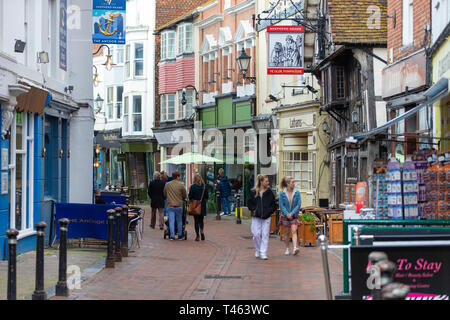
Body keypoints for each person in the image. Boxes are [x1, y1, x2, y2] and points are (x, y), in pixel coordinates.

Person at [247, 174, 277, 260]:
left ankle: (263, 252)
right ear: (261, 182)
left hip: (266, 217)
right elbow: (249, 203)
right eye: (266, 181)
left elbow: (273, 204)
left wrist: (269, 212)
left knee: (265, 234)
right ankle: (258, 249)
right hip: (256, 216)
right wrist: (254, 210)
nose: (268, 183)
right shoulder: (253, 192)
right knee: (256, 234)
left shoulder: (269, 192)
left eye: (268, 181)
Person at [279, 176, 301, 256]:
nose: (294, 184)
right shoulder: (282, 193)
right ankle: (287, 248)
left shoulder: (297, 193)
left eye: (294, 182)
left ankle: (295, 248)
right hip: (285, 215)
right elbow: (281, 205)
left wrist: (292, 213)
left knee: (294, 231)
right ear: (288, 183)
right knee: (286, 233)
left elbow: (298, 204)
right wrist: (287, 214)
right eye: (292, 182)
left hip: (294, 215)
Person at [163, 171, 187, 240]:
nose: (180, 178)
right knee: (179, 220)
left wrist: (169, 197)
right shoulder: (181, 185)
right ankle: (180, 235)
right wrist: (182, 198)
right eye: (179, 176)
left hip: (170, 205)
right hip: (179, 205)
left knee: (171, 220)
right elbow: (184, 195)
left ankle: (172, 236)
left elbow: (164, 194)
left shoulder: (167, 184)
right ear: (177, 177)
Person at [188, 174, 209, 241]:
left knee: (196, 221)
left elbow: (190, 196)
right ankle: (202, 230)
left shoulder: (193, 187)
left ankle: (197, 236)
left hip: (195, 205)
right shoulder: (204, 187)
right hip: (202, 205)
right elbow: (207, 196)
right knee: (201, 220)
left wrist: (192, 199)